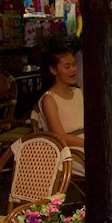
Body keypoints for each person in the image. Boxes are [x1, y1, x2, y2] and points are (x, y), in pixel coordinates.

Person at [34, 46, 85, 177]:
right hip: (70, 150)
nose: (73, 69)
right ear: (53, 70)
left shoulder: (79, 92)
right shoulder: (50, 99)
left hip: (87, 143)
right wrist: (88, 144)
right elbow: (60, 136)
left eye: (74, 65)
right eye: (67, 67)